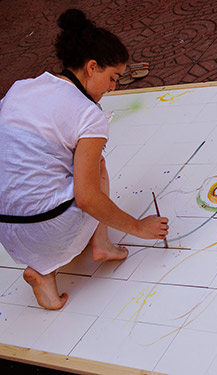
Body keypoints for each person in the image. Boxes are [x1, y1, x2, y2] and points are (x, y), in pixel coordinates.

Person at [0, 9, 168, 310]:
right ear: (92, 67)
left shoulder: (22, 88)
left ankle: (47, 274)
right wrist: (138, 228)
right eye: (112, 77)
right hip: (44, 229)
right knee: (95, 167)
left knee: (55, 164)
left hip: (7, 231)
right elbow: (88, 198)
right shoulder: (88, 114)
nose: (113, 87)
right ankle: (85, 252)